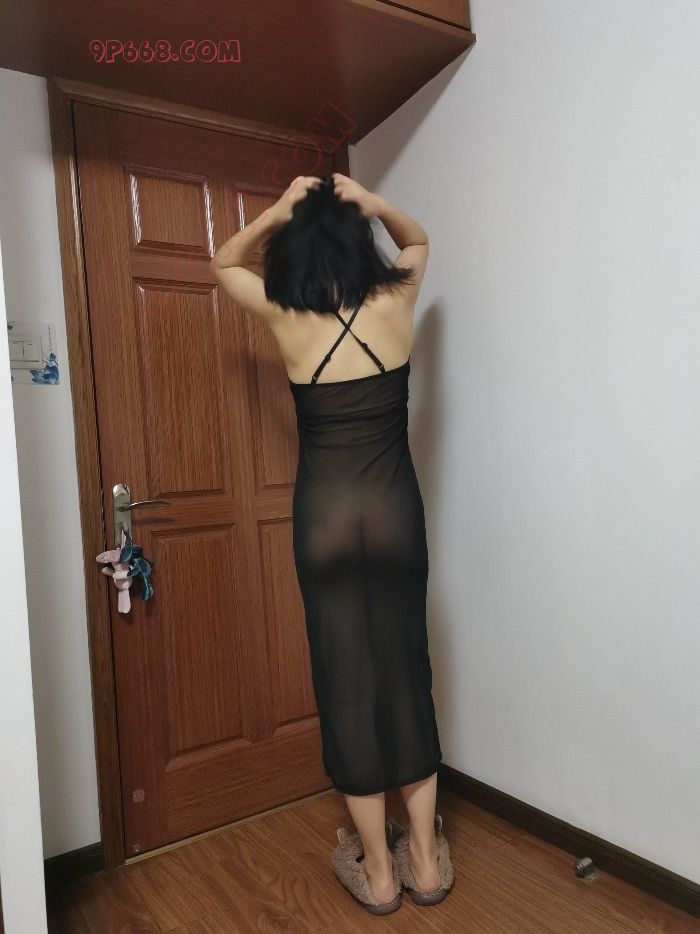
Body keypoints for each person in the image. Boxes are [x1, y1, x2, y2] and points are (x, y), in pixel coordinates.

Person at [210, 174, 453, 913]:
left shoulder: (285, 313)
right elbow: (417, 240)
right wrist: (372, 202)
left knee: (346, 682)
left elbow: (223, 262)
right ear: (355, 238)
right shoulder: (395, 301)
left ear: (299, 246)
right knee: (406, 674)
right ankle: (426, 864)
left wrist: (278, 210)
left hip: (324, 523)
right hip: (394, 518)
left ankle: (377, 873)